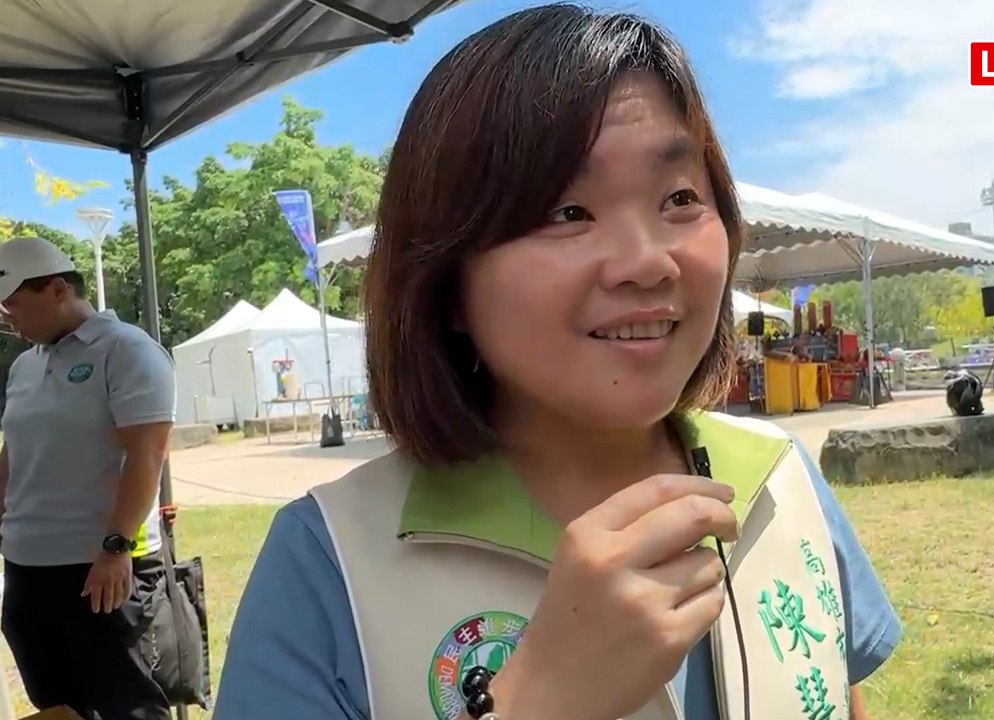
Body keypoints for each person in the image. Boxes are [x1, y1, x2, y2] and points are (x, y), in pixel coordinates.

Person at [214, 5, 901, 720]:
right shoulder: (329, 561)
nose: (647, 262)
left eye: (679, 198)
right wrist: (538, 703)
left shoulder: (779, 479)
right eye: (568, 212)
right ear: (447, 280)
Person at [0, 236, 175, 720]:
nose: (5, 316)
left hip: (100, 570)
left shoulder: (126, 350)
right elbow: (16, 449)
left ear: (58, 289)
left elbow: (149, 452)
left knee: (127, 704)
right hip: (27, 567)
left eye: (13, 304)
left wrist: (116, 548)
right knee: (55, 705)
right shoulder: (24, 367)